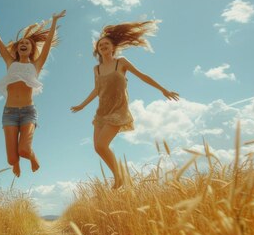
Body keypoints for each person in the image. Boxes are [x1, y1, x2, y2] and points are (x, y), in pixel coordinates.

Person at [71, 21, 179, 189]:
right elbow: (97, 90)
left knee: (101, 144)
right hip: (102, 112)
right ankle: (120, 176)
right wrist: (82, 105)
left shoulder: (121, 62)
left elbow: (143, 76)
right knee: (98, 148)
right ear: (97, 50)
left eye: (106, 43)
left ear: (113, 47)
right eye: (100, 45)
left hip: (118, 110)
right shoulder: (97, 69)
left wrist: (163, 89)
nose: (103, 46)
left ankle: (119, 177)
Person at [0, 7, 66, 177]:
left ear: (32, 48)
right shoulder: (10, 62)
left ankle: (32, 156)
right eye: (21, 44)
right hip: (9, 113)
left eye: (27, 43)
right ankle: (16, 163)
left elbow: (48, 45)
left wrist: (54, 21)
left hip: (28, 112)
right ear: (17, 49)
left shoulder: (36, 65)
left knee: (25, 150)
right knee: (11, 159)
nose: (23, 44)